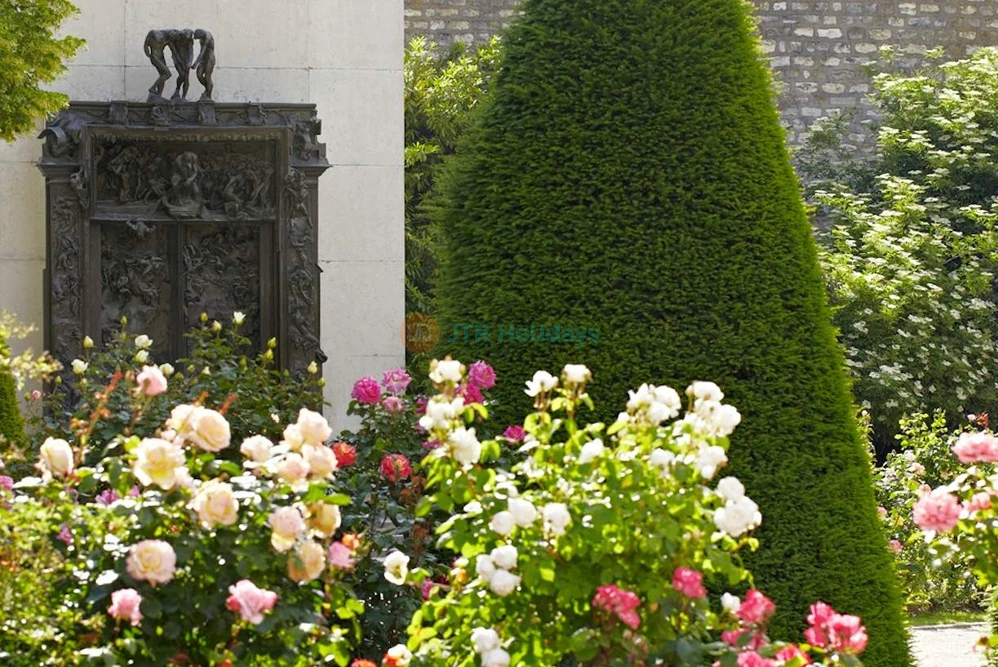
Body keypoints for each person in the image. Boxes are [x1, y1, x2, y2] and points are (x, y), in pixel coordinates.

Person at [193, 29, 216, 101]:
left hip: (210, 59)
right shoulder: (202, 39)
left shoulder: (207, 37)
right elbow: (201, 51)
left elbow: (203, 51)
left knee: (207, 76)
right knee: (199, 74)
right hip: (204, 59)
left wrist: (196, 63)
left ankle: (208, 95)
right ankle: (207, 89)